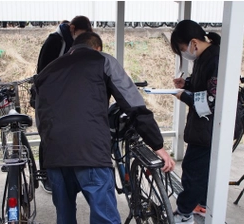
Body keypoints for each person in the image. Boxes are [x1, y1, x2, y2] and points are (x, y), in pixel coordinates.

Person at [34, 32, 176, 224]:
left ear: (72, 48)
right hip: (90, 152)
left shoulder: (48, 70)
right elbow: (133, 105)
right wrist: (157, 145)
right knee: (105, 218)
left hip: (55, 154)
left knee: (64, 217)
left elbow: (40, 114)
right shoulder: (103, 60)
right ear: (97, 47)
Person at [33, 15, 93, 193]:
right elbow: (42, 71)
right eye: (80, 34)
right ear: (72, 28)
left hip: (67, 95)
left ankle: (67, 171)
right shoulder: (55, 41)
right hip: (49, 96)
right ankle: (46, 175)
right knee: (48, 134)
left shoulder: (75, 43)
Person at [170, 20, 222, 224]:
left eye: (183, 49)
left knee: (193, 171)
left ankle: (184, 213)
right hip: (202, 127)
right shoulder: (205, 57)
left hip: (207, 128)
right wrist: (187, 83)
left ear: (194, 42)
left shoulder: (215, 59)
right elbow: (203, 85)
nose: (185, 53)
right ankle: (200, 204)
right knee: (201, 171)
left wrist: (184, 96)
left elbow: (211, 101)